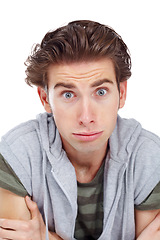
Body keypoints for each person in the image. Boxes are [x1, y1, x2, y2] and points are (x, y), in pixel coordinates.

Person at [0, 20, 160, 240]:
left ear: (121, 94)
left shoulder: (150, 158)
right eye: (68, 94)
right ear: (45, 99)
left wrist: (46, 237)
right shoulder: (17, 155)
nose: (86, 117)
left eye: (101, 92)